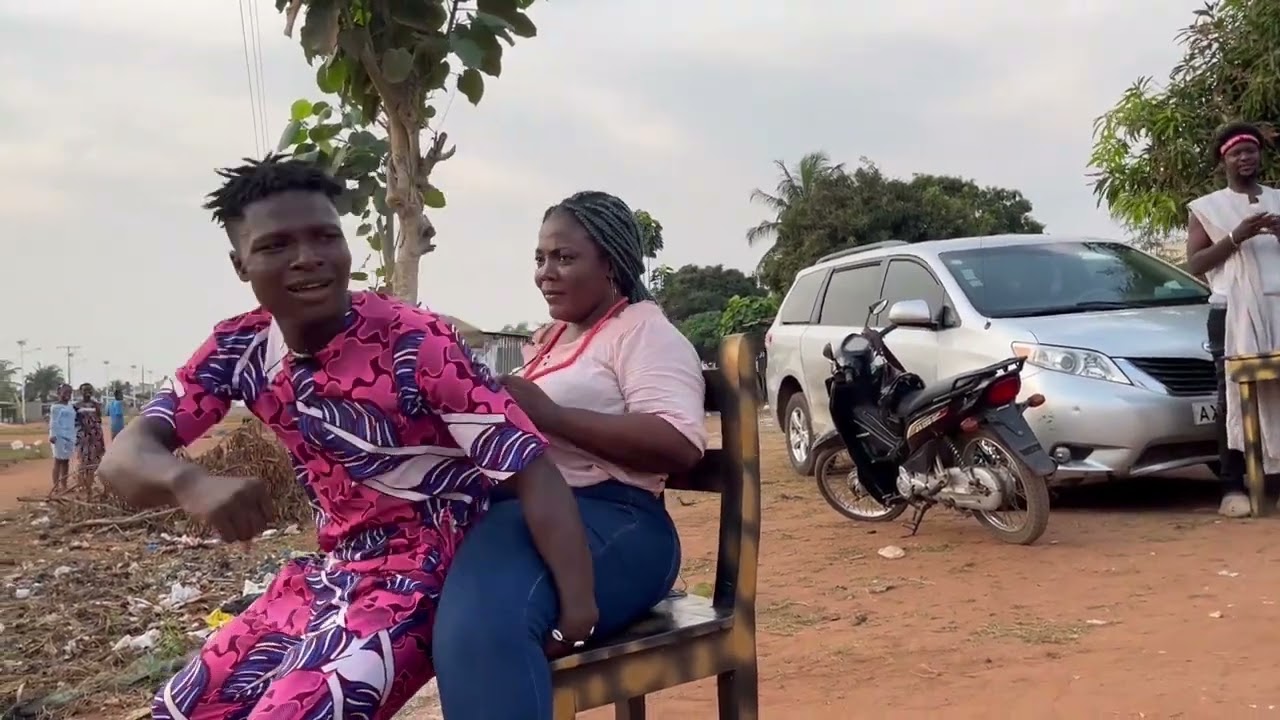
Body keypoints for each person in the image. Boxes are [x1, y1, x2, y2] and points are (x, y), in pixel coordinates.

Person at [97, 155, 595, 720]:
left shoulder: (413, 342)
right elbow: (122, 460)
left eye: (324, 237)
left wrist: (578, 609)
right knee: (179, 709)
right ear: (241, 264)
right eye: (276, 245)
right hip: (332, 575)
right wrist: (188, 480)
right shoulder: (240, 349)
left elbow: (531, 470)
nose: (308, 258)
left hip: (432, 574)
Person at [432, 191, 708, 720]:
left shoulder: (644, 332)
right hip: (537, 516)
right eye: (540, 258)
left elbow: (678, 444)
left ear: (610, 262)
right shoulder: (550, 341)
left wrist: (549, 416)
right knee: (447, 611)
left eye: (564, 257)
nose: (545, 272)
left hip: (619, 524)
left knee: (492, 621)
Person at [1186, 121, 1280, 517]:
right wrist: (1236, 236)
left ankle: (1273, 481)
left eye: (1251, 151)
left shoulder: (1277, 198)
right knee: (1233, 397)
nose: (1246, 158)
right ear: (1223, 160)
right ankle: (1231, 485)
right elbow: (1196, 264)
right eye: (1237, 153)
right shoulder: (1207, 207)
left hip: (1277, 306)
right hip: (1230, 309)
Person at [73, 382, 105, 490]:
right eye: (85, 390)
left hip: (95, 435)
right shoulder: (76, 405)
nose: (87, 392)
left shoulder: (96, 405)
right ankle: (82, 482)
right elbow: (75, 421)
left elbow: (99, 419)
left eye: (89, 390)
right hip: (83, 435)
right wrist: (84, 427)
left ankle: (90, 483)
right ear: (80, 391)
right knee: (83, 458)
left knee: (94, 458)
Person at [47, 384, 75, 494]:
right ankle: (56, 486)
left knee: (66, 461)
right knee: (58, 461)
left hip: (69, 435)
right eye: (65, 392)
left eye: (69, 392)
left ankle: (64, 485)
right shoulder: (55, 407)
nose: (67, 395)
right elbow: (53, 422)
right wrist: (53, 435)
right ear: (59, 393)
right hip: (58, 436)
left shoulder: (70, 406)